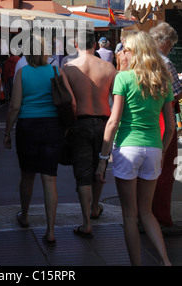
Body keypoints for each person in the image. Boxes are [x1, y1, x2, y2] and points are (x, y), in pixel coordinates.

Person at [96, 31, 175, 266]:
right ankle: (166, 261)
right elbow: (170, 127)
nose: (121, 52)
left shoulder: (124, 78)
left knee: (130, 215)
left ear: (136, 52)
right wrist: (161, 151)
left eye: (125, 49)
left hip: (127, 148)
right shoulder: (163, 79)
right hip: (153, 148)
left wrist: (103, 157)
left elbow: (113, 121)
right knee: (147, 212)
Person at [3, 35, 76, 245]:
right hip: (52, 127)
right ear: (46, 51)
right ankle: (51, 230)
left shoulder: (22, 73)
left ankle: (25, 216)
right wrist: (66, 127)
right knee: (50, 178)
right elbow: (69, 102)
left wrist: (7, 132)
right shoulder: (56, 71)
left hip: (27, 127)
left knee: (27, 175)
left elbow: (14, 106)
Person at [63, 30, 117, 238]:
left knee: (83, 173)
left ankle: (86, 221)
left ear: (76, 44)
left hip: (80, 124)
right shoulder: (109, 67)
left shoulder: (68, 69)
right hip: (104, 123)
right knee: (99, 168)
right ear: (95, 44)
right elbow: (115, 99)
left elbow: (69, 103)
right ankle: (95, 206)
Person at [149, 22, 182, 235]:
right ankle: (161, 218)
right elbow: (176, 93)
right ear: (166, 43)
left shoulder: (138, 59)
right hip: (163, 118)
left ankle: (144, 216)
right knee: (164, 171)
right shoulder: (166, 62)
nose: (170, 49)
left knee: (146, 171)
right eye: (171, 45)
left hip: (142, 120)